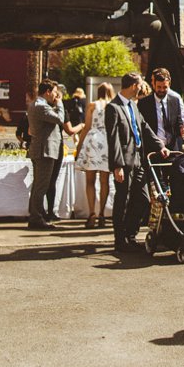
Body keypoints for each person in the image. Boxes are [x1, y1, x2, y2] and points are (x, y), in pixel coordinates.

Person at [106, 71, 167, 252]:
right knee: (122, 201)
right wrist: (117, 165)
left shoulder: (133, 106)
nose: (142, 88)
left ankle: (131, 234)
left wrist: (159, 145)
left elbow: (144, 127)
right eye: (140, 84)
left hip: (139, 160)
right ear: (133, 86)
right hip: (124, 162)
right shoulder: (113, 107)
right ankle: (120, 239)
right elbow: (113, 138)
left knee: (142, 199)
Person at [26, 80, 75, 229]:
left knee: (38, 185)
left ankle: (36, 214)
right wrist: (60, 103)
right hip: (44, 151)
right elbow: (60, 119)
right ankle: (36, 218)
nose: (56, 96)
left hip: (41, 149)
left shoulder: (38, 105)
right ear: (47, 92)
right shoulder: (41, 106)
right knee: (41, 186)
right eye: (54, 92)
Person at [74, 82, 115, 228]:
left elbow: (87, 127)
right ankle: (102, 213)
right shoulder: (113, 105)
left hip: (93, 140)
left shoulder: (92, 105)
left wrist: (79, 148)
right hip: (107, 142)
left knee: (90, 181)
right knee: (105, 181)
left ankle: (92, 213)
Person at [138, 67, 184, 153]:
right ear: (153, 85)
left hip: (172, 149)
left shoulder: (175, 100)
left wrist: (182, 129)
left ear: (169, 85)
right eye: (159, 87)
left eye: (164, 87)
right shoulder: (144, 104)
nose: (161, 90)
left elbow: (179, 120)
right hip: (153, 150)